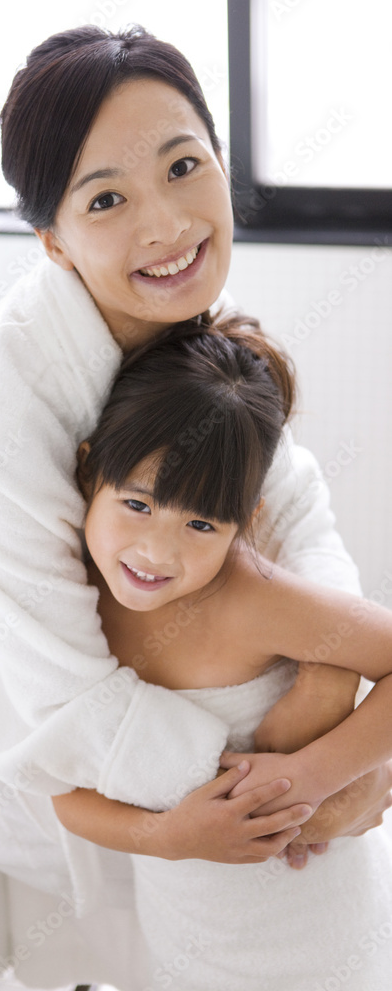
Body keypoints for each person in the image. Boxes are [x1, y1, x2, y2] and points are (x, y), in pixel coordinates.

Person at [0, 24, 391, 983]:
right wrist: (302, 779)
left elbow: (293, 503)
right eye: (106, 198)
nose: (167, 226)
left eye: (183, 166)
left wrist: (327, 700)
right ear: (52, 241)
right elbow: (58, 718)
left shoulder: (183, 322)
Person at [52, 319, 392, 988]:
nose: (157, 552)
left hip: (322, 935)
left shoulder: (247, 598)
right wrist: (168, 837)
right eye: (138, 504)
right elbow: (62, 789)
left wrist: (310, 777)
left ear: (246, 521)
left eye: (201, 523)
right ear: (89, 470)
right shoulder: (67, 606)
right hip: (190, 939)